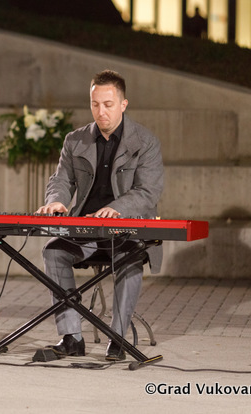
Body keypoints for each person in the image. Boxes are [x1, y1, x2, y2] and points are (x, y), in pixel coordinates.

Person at [35, 69, 163, 361]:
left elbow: (148, 191)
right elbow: (61, 180)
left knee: (130, 257)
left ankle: (117, 339)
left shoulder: (145, 141)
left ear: (123, 104)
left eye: (108, 104)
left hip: (127, 230)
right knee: (53, 252)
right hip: (87, 231)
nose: (100, 111)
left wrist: (117, 208)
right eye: (95, 104)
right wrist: (56, 202)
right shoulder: (75, 140)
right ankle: (71, 337)